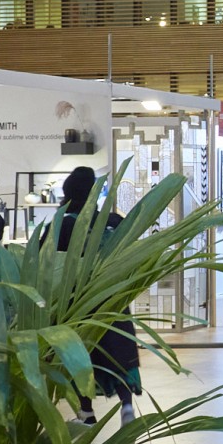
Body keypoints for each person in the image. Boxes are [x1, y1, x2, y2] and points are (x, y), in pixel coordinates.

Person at [57, 167, 135, 426]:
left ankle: (86, 412)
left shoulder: (64, 224)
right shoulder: (113, 221)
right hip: (113, 297)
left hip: (77, 300)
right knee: (119, 353)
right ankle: (127, 405)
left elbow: (47, 260)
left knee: (81, 355)